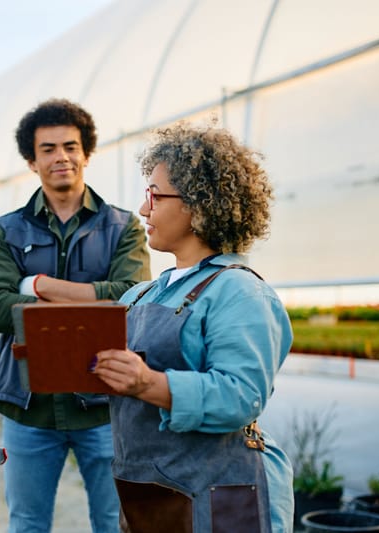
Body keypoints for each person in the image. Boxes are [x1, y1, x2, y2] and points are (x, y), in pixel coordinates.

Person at [92, 123, 294, 532]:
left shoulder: (238, 291)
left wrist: (147, 383)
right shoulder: (140, 295)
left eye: (154, 195)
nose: (143, 209)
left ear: (199, 205)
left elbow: (241, 395)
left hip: (220, 494)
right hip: (147, 493)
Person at [0, 98, 151, 533]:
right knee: (28, 523)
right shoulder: (7, 229)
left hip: (103, 406)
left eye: (71, 146)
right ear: (31, 161)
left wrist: (37, 286)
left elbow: (132, 300)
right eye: (49, 149)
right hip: (28, 406)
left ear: (86, 154)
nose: (62, 157)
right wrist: (92, 304)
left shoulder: (123, 227)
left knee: (114, 523)